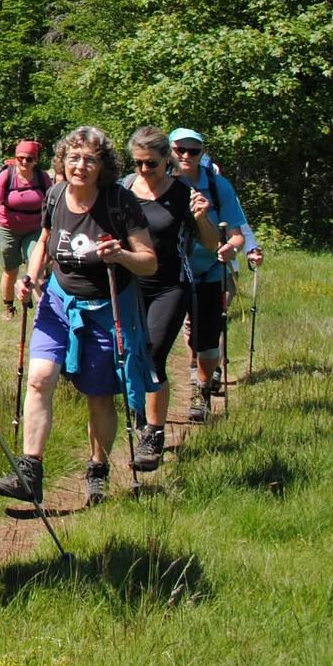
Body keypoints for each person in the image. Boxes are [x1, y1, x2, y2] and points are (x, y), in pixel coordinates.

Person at [0, 126, 157, 510]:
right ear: (63, 161)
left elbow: (149, 262)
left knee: (99, 398)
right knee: (39, 378)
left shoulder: (119, 200)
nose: (80, 165)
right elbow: (45, 241)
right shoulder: (55, 194)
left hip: (105, 306)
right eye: (74, 157)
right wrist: (30, 277)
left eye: (90, 159)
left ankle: (98, 469)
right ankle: (30, 472)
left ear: (103, 166)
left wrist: (121, 256)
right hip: (58, 301)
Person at [123, 127, 222, 469]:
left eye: (151, 163)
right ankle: (139, 415)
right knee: (127, 355)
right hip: (127, 285)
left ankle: (153, 434)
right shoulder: (122, 190)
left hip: (171, 285)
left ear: (167, 159)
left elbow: (211, 243)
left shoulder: (184, 193)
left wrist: (201, 216)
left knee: (152, 354)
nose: (144, 171)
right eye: (137, 163)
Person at [168, 129, 248, 420]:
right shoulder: (157, 181)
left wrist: (231, 249)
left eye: (193, 151)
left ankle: (201, 391)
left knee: (208, 343)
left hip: (208, 273)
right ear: (169, 150)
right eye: (179, 150)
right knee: (156, 340)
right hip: (168, 276)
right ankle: (150, 411)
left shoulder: (218, 186)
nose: (186, 156)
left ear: (202, 153)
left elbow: (237, 234)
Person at [0, 141, 50, 320]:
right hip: (8, 228)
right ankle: (8, 306)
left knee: (36, 266)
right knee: (11, 269)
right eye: (20, 158)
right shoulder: (6, 176)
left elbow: (52, 199)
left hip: (35, 228)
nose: (24, 162)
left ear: (35, 160)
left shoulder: (42, 177)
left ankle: (43, 309)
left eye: (29, 159)